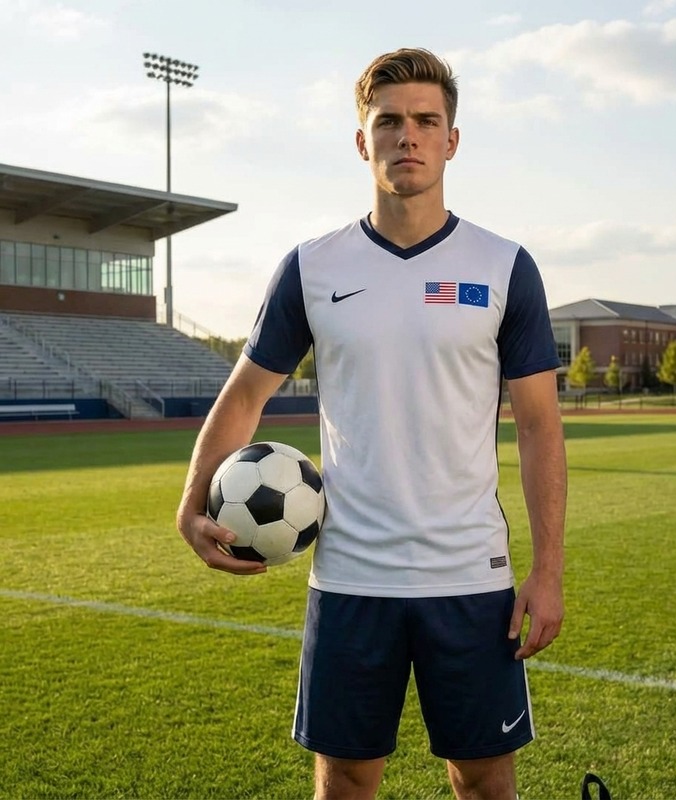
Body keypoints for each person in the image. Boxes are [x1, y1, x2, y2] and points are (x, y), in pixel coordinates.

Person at [177, 47, 567, 800]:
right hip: (352, 577)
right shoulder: (311, 267)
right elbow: (243, 395)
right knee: (347, 781)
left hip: (470, 577)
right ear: (363, 141)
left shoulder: (503, 265)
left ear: (452, 140)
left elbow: (541, 426)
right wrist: (191, 505)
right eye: (389, 122)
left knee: (484, 780)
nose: (407, 137)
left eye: (426, 121)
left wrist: (547, 572)